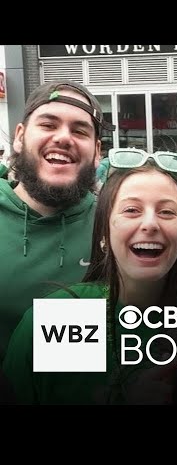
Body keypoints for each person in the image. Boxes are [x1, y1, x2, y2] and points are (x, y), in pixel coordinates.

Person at [2, 149, 177, 404]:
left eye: (167, 212)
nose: (150, 224)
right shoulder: (66, 318)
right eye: (131, 210)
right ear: (103, 235)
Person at [0, 79, 114, 362]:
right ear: (20, 136)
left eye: (79, 130)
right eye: (48, 125)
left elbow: (71, 363)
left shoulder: (115, 228)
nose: (63, 138)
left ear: (97, 152)